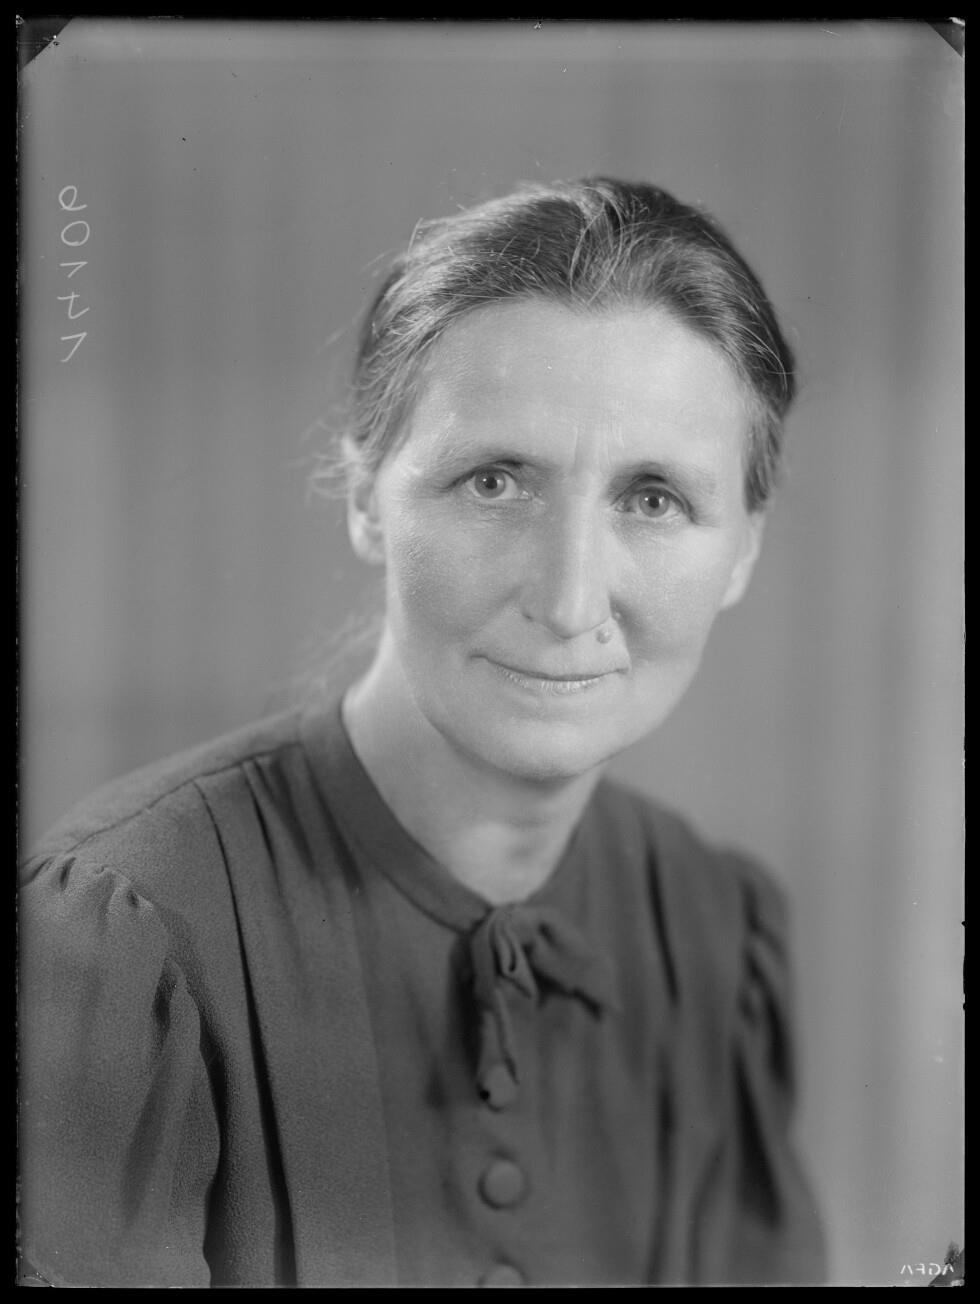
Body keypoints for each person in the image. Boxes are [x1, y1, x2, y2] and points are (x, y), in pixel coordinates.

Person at [18, 177, 827, 1287]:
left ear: (741, 549)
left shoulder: (715, 931)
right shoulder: (127, 936)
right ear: (366, 497)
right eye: (494, 481)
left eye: (652, 499)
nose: (569, 598)